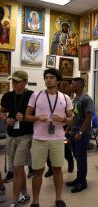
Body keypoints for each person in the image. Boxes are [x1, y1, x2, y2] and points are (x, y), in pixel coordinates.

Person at [25, 68, 73, 207]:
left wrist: (63, 119)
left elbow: (71, 119)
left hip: (57, 139)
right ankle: (35, 201)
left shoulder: (65, 98)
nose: (48, 79)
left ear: (58, 80)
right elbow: (27, 116)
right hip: (39, 138)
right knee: (37, 171)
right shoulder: (36, 95)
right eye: (46, 77)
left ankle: (59, 199)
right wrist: (37, 118)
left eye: (52, 77)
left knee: (57, 169)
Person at [0, 70, 34, 207]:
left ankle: (14, 201)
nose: (14, 83)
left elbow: (37, 116)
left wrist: (25, 118)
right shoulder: (8, 95)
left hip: (26, 136)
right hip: (11, 135)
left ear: (25, 82)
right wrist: (6, 119)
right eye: (13, 80)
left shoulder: (32, 96)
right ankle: (25, 194)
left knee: (17, 168)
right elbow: (2, 111)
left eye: (17, 81)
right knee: (17, 169)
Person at [65, 77, 94, 193]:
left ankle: (82, 182)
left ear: (80, 85)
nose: (70, 86)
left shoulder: (86, 99)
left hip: (82, 133)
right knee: (77, 157)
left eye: (72, 84)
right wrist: (68, 130)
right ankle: (79, 178)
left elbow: (88, 117)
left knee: (81, 158)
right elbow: (74, 117)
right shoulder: (75, 99)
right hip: (74, 132)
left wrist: (80, 132)